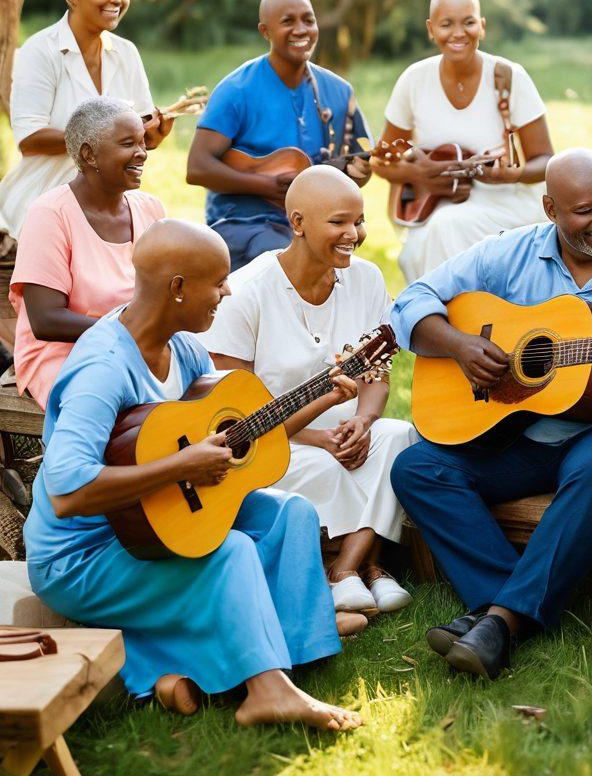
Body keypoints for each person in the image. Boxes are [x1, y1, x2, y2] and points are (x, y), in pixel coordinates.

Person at [24, 219, 362, 729]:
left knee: (288, 513)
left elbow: (243, 436)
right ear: (177, 286)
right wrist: (180, 466)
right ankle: (264, 689)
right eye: (218, 280)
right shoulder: (101, 369)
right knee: (231, 551)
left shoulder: (183, 348)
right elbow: (69, 492)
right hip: (86, 553)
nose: (227, 291)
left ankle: (291, 644)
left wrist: (323, 398)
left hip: (157, 517)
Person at [390, 149, 592, 679]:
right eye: (585, 211)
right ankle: (505, 607)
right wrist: (460, 346)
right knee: (418, 468)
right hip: (528, 429)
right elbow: (411, 301)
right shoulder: (508, 253)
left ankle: (500, 620)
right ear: (550, 209)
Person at [201, 166, 416, 614]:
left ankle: (344, 570)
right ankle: (369, 569)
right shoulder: (247, 293)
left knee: (401, 437)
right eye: (338, 222)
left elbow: (377, 373)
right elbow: (238, 416)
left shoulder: (367, 278)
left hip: (348, 431)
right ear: (297, 223)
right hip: (273, 442)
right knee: (327, 469)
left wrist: (365, 419)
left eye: (358, 221)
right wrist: (318, 436)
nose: (353, 234)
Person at [373, 0, 554, 282]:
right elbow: (380, 160)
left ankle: (444, 319)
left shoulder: (510, 77)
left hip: (507, 205)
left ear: (481, 27)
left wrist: (512, 174)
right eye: (446, 24)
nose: (458, 33)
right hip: (436, 207)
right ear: (431, 29)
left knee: (447, 228)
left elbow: (547, 160)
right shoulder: (414, 81)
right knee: (422, 244)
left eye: (468, 22)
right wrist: (419, 175)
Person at [186, 0, 372, 272]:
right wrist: (266, 186)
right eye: (288, 22)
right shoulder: (237, 89)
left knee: (358, 274)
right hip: (243, 223)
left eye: (308, 20)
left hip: (314, 226)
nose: (301, 29)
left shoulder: (338, 91)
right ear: (265, 31)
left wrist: (359, 173)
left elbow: (353, 169)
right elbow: (197, 167)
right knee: (284, 261)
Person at [0, 0, 171, 243]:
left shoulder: (126, 53)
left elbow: (134, 136)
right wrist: (102, 138)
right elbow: (29, 139)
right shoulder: (40, 51)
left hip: (110, 204)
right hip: (44, 199)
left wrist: (151, 136)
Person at [10, 98, 164, 408]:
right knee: (126, 401)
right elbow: (45, 320)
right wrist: (132, 331)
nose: (142, 153)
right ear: (89, 154)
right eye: (127, 144)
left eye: (142, 142)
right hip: (64, 352)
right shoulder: (50, 214)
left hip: (138, 346)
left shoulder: (150, 209)